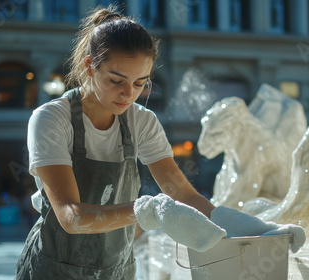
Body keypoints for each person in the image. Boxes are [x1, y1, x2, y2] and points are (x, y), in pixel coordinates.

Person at [15, 7, 216, 279]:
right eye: (116, 80)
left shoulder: (142, 122)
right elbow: (71, 216)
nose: (128, 94)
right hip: (54, 269)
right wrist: (149, 210)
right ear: (89, 66)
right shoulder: (51, 119)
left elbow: (185, 194)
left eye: (139, 84)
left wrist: (246, 228)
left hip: (117, 270)